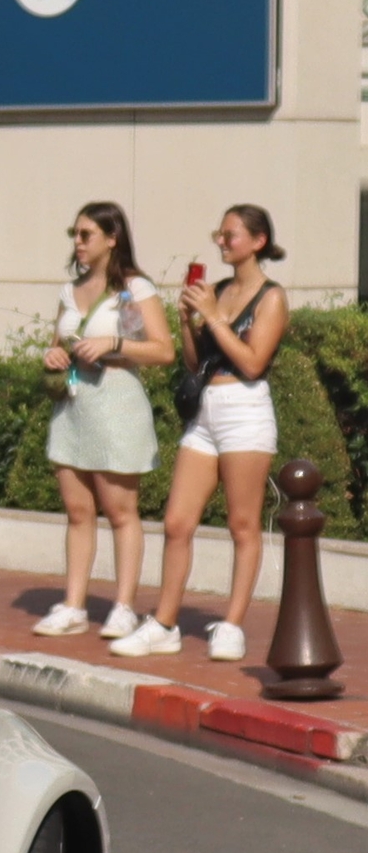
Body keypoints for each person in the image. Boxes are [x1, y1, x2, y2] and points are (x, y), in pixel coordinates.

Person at [112, 205, 289, 660]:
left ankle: (232, 624)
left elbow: (251, 362)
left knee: (242, 523)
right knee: (177, 522)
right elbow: (196, 363)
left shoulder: (271, 297)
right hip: (206, 411)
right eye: (220, 234)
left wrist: (213, 316)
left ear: (258, 241)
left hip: (245, 411)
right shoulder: (219, 290)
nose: (222, 242)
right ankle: (165, 624)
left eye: (231, 235)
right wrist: (189, 321)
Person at [30, 203, 175, 639]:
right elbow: (57, 345)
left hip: (115, 400)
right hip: (74, 406)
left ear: (112, 238)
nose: (78, 242)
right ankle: (73, 604)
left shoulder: (134, 289)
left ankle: (124, 606)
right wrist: (52, 354)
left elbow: (163, 350)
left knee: (120, 510)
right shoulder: (67, 291)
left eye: (86, 234)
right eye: (74, 233)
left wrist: (114, 343)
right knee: (78, 510)